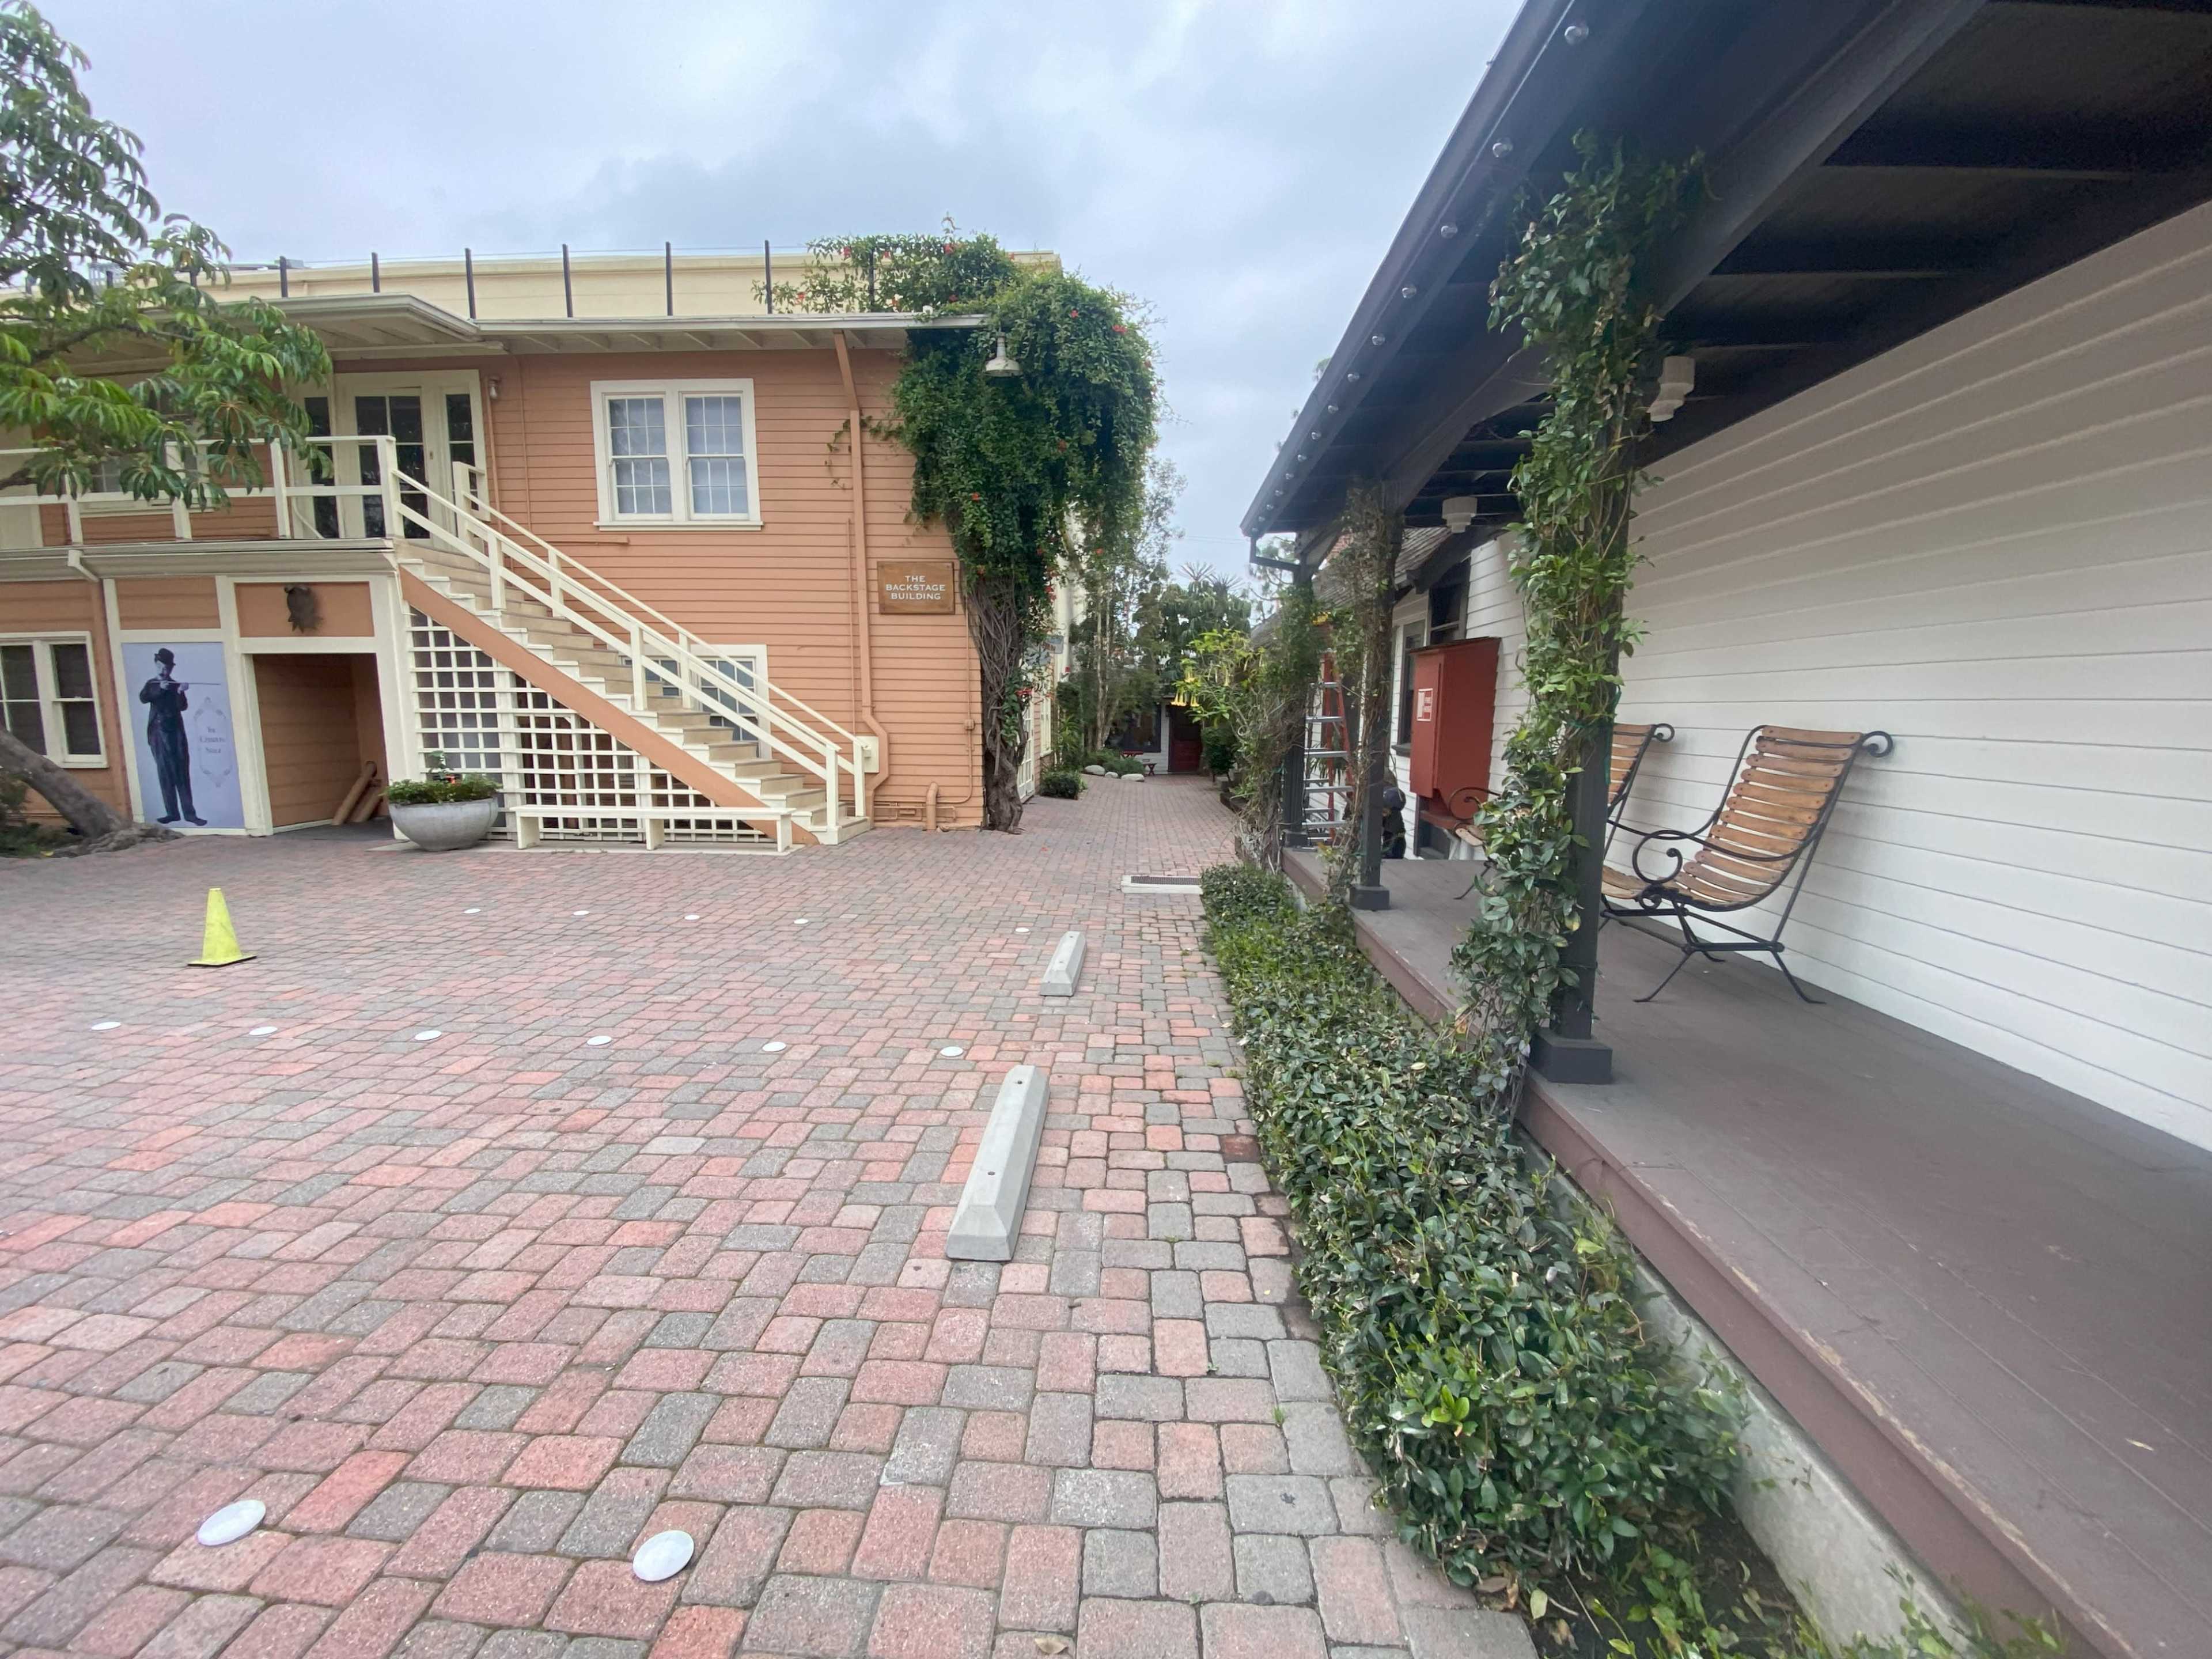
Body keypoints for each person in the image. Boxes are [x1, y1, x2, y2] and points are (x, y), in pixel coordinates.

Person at [139, 647, 203, 825]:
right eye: (160, 667)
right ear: (156, 665)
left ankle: (190, 814)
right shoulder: (151, 684)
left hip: (175, 734)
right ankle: (172, 813)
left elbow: (182, 707)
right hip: (158, 734)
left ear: (171, 669)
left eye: (167, 668)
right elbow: (143, 698)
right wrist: (160, 689)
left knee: (182, 772)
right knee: (164, 773)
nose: (163, 671)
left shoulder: (175, 684)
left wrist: (181, 692)